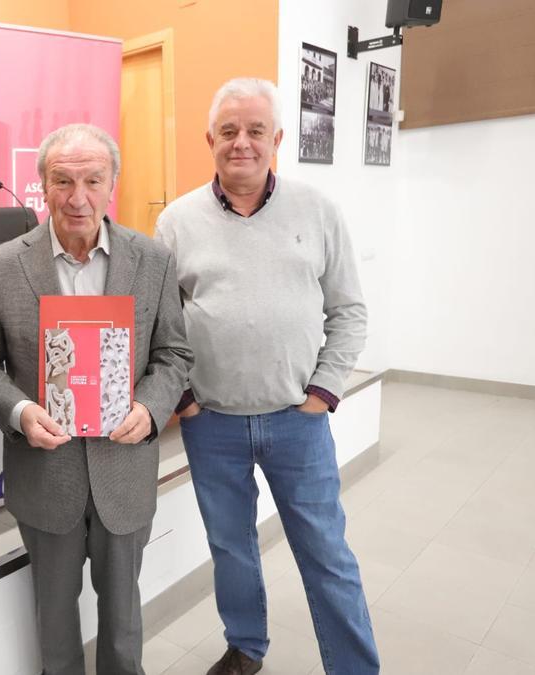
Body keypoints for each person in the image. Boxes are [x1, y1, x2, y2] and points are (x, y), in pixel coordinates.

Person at [155, 78, 379, 675]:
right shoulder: (176, 222)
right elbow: (158, 323)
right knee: (231, 548)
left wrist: (323, 391)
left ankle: (355, 666)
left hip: (297, 421)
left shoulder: (318, 210)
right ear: (210, 140)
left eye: (256, 131)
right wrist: (185, 400)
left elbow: (349, 310)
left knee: (326, 552)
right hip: (213, 424)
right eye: (229, 131)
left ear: (277, 139)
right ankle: (246, 646)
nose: (242, 143)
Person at [0, 123, 192, 674]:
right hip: (46, 474)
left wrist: (152, 407)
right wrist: (19, 411)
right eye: (62, 180)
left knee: (123, 619)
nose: (78, 196)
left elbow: (174, 356)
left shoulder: (152, 261)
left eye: (93, 179)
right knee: (54, 617)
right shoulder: (2, 265)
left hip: (123, 467)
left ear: (112, 182)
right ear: (41, 184)